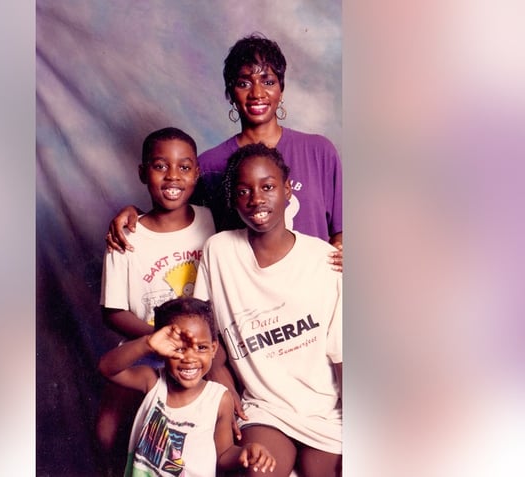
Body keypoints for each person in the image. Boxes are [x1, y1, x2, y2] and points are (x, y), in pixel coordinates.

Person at [105, 33, 343, 270]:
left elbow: (342, 231)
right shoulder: (209, 165)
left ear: (281, 89)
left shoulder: (318, 151)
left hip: (314, 291)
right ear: (230, 94)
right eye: (244, 83)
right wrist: (135, 214)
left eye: (268, 81)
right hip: (244, 296)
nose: (257, 93)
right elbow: (176, 223)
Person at [195, 143, 343, 477]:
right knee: (259, 470)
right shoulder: (219, 251)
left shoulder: (324, 259)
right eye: (244, 190)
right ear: (233, 198)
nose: (257, 199)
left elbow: (344, 356)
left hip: (325, 407)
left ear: (288, 189)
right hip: (266, 408)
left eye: (268, 187)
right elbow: (205, 331)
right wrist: (222, 379)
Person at [97, 127, 217, 470]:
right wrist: (154, 340)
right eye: (160, 166)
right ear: (142, 172)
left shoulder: (211, 221)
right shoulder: (126, 236)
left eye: (183, 167)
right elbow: (113, 312)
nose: (172, 176)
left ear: (196, 173)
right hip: (145, 352)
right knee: (108, 433)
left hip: (200, 353)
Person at [99, 297, 276, 476]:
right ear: (162, 348)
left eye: (201, 348)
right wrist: (147, 344)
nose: (190, 358)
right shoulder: (152, 381)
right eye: (180, 349)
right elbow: (106, 368)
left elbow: (223, 454)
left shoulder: (219, 398)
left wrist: (244, 451)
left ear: (213, 348)